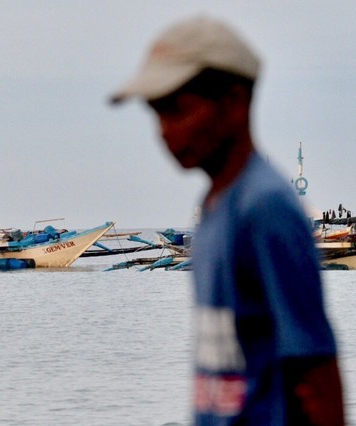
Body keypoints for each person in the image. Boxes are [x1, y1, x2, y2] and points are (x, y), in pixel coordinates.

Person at [110, 16, 344, 425]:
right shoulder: (217, 207)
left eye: (177, 110)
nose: (164, 131)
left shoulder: (267, 209)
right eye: (157, 114)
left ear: (234, 103)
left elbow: (317, 375)